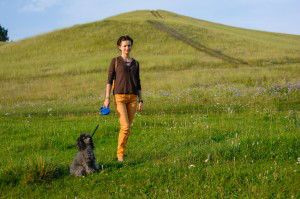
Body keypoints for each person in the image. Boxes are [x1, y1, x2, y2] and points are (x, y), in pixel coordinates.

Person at [103, 35, 143, 162]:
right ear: (119, 47)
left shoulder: (136, 63)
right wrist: (107, 98)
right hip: (119, 97)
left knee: (127, 128)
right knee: (125, 126)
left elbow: (138, 82)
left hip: (133, 98)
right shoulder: (115, 61)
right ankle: (120, 155)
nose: (127, 48)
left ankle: (122, 152)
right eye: (124, 45)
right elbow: (109, 81)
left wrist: (140, 100)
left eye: (129, 45)